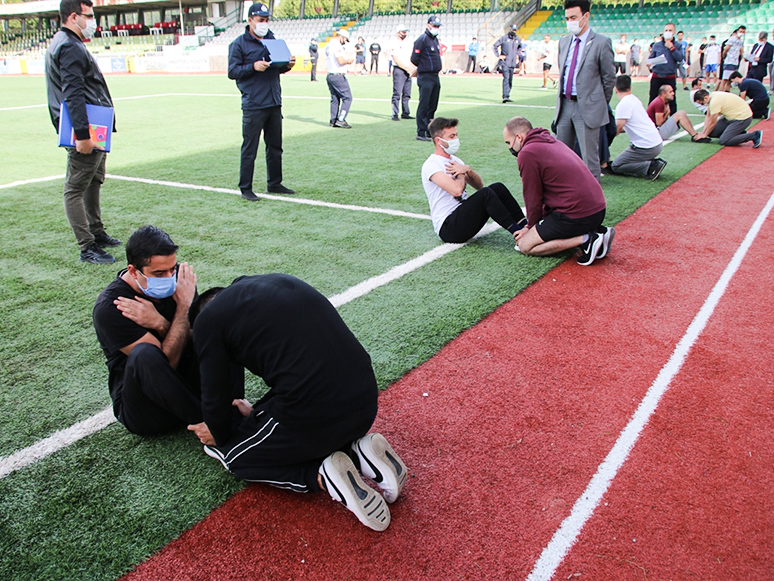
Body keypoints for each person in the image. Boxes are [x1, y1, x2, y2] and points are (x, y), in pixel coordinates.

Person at [186, 274, 407, 532]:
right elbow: (304, 367)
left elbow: (216, 399)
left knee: (235, 456)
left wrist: (218, 432)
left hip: (318, 413)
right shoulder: (270, 282)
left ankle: (323, 478)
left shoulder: (207, 321)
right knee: (306, 407)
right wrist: (258, 414)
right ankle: (362, 454)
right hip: (366, 401)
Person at [93, 225, 203, 436]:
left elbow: (198, 336)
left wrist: (160, 323)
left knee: (218, 321)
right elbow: (161, 368)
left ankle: (233, 402)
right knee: (144, 353)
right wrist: (182, 308)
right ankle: (207, 422)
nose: (169, 277)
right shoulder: (111, 307)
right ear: (133, 271)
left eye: (172, 268)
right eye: (159, 273)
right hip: (147, 409)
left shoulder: (180, 280)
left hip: (187, 387)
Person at [45, 0, 121, 264]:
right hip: (87, 128)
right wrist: (82, 135)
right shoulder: (69, 46)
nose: (93, 22)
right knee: (76, 187)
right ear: (73, 16)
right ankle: (87, 246)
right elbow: (73, 93)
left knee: (93, 180)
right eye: (89, 16)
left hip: (95, 126)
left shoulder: (66, 43)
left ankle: (96, 232)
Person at [503, 116, 613, 266]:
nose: (510, 147)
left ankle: (587, 239)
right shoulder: (551, 140)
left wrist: (530, 227)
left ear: (519, 137)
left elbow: (533, 197)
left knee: (524, 245)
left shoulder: (527, 153)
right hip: (597, 210)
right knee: (543, 230)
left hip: (577, 215)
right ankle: (598, 232)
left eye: (509, 143)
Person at [421, 117, 527, 244]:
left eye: (456, 135)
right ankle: (519, 236)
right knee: (486, 194)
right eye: (452, 136)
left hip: (463, 218)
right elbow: (457, 191)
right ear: (438, 140)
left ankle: (526, 227)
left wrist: (468, 170)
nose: (456, 139)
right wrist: (461, 173)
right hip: (448, 228)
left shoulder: (456, 160)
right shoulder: (432, 164)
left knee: (497, 188)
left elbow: (479, 186)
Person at [228, 3, 296, 202]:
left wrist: (287, 65)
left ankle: (274, 183)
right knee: (250, 148)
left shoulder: (273, 41)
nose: (264, 24)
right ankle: (246, 188)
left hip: (274, 101)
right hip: (254, 104)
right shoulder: (239, 44)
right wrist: (252, 66)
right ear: (250, 20)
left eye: (266, 20)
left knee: (275, 146)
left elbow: (277, 68)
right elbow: (232, 72)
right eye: (260, 20)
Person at [554, 0, 616, 183]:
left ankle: (594, 207)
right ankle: (565, 203)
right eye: (567, 18)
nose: (570, 21)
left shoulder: (602, 43)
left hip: (587, 109)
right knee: (561, 159)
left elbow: (609, 79)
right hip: (564, 106)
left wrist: (597, 104)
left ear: (586, 16)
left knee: (590, 161)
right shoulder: (564, 42)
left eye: (573, 17)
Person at [610, 75, 667, 180]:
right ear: (630, 88)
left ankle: (650, 166)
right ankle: (649, 164)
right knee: (625, 156)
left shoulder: (623, 104)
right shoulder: (634, 99)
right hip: (656, 142)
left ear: (616, 89)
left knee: (616, 166)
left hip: (647, 147)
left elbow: (617, 129)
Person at [693, 89, 762, 147]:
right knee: (711, 132)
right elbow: (708, 116)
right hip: (731, 117)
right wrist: (704, 132)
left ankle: (753, 135)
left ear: (705, 98)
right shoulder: (712, 96)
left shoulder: (714, 102)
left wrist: (704, 135)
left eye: (701, 103)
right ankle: (739, 133)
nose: (702, 105)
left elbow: (713, 122)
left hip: (742, 118)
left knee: (724, 140)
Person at [411, 15, 443, 141]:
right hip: (425, 76)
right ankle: (421, 131)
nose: (436, 28)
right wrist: (423, 67)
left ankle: (430, 129)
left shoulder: (435, 40)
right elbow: (414, 58)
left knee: (432, 105)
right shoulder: (422, 39)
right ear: (428, 25)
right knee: (424, 105)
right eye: (434, 25)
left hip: (435, 76)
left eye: (438, 26)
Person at [647, 23, 683, 116]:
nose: (667, 32)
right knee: (653, 99)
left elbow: (680, 58)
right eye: (666, 30)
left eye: (670, 30)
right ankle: (651, 121)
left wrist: (671, 48)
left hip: (669, 76)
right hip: (657, 76)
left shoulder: (678, 45)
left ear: (674, 32)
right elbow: (651, 58)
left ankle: (674, 121)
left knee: (671, 100)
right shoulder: (657, 45)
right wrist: (649, 63)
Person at [325, 28, 355, 129]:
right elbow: (341, 61)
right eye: (345, 39)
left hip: (330, 75)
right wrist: (349, 60)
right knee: (348, 98)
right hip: (338, 75)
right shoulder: (336, 45)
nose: (345, 42)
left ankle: (333, 120)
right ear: (341, 37)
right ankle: (341, 119)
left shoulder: (329, 44)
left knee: (335, 98)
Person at [390, 24, 415, 121]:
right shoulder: (394, 43)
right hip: (399, 70)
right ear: (398, 32)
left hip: (408, 69)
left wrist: (410, 68)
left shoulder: (407, 44)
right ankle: (395, 113)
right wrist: (406, 68)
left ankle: (405, 112)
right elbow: (396, 59)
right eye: (403, 32)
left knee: (407, 93)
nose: (405, 34)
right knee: (397, 93)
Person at [493, 23, 522, 103]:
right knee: (506, 78)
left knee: (510, 80)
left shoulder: (517, 39)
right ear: (510, 29)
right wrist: (498, 55)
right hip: (505, 62)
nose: (514, 31)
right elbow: (495, 46)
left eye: (515, 30)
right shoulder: (504, 38)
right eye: (513, 29)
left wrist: (517, 53)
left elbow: (520, 47)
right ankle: (505, 96)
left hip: (512, 63)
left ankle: (507, 94)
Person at [719, 26, 746, 92]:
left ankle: (727, 93)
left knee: (730, 80)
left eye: (743, 32)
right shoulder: (732, 39)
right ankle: (721, 94)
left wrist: (743, 57)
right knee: (724, 80)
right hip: (729, 62)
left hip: (735, 62)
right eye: (740, 31)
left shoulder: (740, 41)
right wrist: (724, 57)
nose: (741, 33)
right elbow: (726, 49)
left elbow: (741, 51)